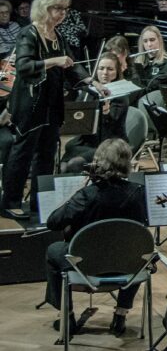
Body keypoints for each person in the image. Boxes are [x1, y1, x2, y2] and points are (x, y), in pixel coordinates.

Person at [2, 0, 90, 220]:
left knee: (46, 155)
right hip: (29, 105)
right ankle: (10, 201)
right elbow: (24, 67)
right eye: (57, 9)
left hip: (51, 105)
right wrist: (54, 61)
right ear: (44, 8)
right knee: (22, 153)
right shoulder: (28, 34)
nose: (61, 14)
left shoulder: (58, 36)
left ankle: (39, 201)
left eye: (64, 9)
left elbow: (71, 64)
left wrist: (91, 81)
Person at [44, 139, 147, 335]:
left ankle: (68, 316)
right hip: (126, 264)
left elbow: (53, 222)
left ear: (98, 162)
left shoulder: (87, 195)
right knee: (139, 253)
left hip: (87, 265)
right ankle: (120, 315)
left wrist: (78, 192)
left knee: (53, 250)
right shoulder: (138, 193)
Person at [60, 52, 131, 172]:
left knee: (74, 164)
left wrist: (106, 112)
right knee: (62, 165)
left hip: (110, 143)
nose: (105, 73)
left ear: (117, 72)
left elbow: (111, 126)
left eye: (110, 69)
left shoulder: (120, 95)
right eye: (101, 68)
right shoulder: (88, 91)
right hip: (89, 141)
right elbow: (77, 115)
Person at [131, 24, 167, 91]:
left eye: (152, 40)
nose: (149, 44)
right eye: (145, 41)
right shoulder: (138, 61)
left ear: (159, 40)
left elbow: (154, 85)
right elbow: (134, 82)